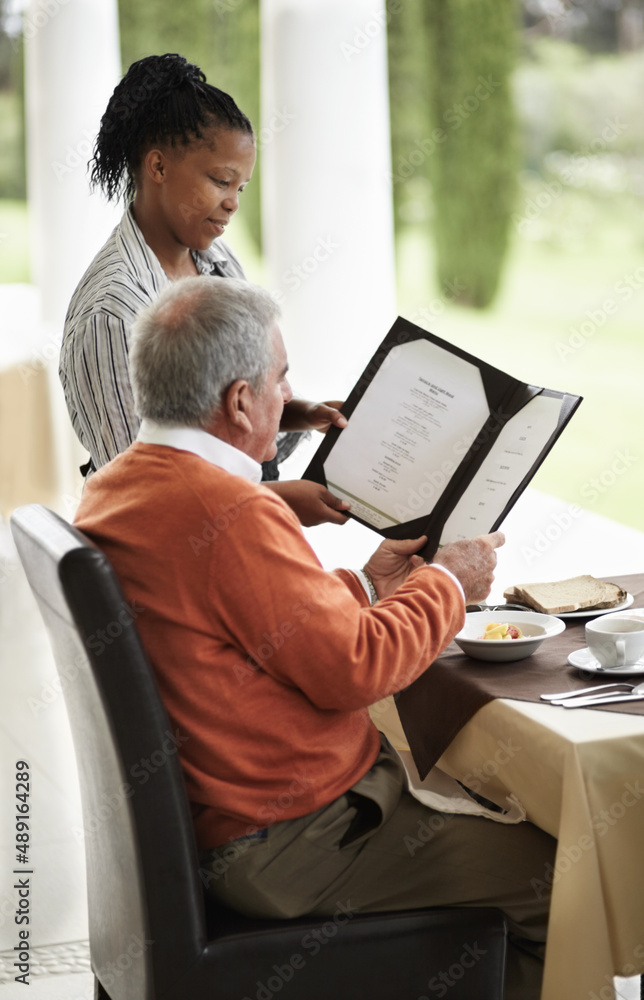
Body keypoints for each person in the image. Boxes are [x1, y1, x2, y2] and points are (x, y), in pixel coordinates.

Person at [74, 275, 554, 1000]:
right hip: (294, 842)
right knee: (565, 878)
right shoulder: (230, 510)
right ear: (239, 401)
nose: (288, 393)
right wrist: (450, 582)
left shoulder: (116, 487)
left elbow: (246, 625)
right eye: (281, 378)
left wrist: (368, 584)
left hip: (228, 828)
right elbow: (358, 669)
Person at [59, 52, 349, 527]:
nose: (232, 204)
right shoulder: (112, 313)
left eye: (242, 187)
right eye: (220, 180)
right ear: (157, 167)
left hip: (234, 534)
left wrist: (298, 414)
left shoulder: (215, 264)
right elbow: (140, 496)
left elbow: (216, 408)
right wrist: (276, 502)